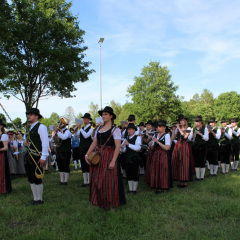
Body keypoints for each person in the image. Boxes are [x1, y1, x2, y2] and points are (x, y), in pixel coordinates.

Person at [85, 106, 126, 210]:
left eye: (106, 114)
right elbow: (94, 143)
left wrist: (113, 161)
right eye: (102, 114)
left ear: (111, 116)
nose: (103, 116)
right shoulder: (99, 128)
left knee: (110, 181)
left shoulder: (115, 130)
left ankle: (112, 204)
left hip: (109, 156)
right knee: (98, 180)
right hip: (98, 157)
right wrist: (87, 154)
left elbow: (117, 147)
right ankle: (102, 202)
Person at [23, 108, 49, 205]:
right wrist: (24, 143)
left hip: (37, 156)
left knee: (37, 177)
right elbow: (26, 142)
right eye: (28, 114)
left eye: (31, 114)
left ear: (36, 116)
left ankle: (40, 199)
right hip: (28, 155)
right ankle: (35, 198)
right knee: (30, 177)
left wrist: (43, 157)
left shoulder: (41, 127)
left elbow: (45, 143)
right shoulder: (27, 128)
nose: (28, 116)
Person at [150, 120, 172, 193]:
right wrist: (150, 145)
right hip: (156, 154)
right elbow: (153, 147)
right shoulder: (155, 135)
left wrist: (158, 142)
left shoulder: (167, 135)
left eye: (160, 126)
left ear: (164, 127)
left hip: (163, 155)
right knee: (156, 170)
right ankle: (157, 185)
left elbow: (167, 148)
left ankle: (163, 186)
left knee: (163, 170)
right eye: (157, 127)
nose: (158, 128)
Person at [171, 115, 193, 188]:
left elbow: (185, 136)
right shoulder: (178, 128)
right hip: (178, 145)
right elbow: (173, 138)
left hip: (184, 146)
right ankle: (180, 180)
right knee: (177, 162)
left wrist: (179, 128)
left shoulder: (189, 128)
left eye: (183, 120)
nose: (182, 122)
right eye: (181, 121)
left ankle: (185, 182)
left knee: (184, 163)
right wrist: (174, 130)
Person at [74, 113, 93, 187]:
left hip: (88, 149)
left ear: (88, 119)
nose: (84, 120)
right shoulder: (82, 128)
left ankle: (89, 181)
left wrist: (79, 128)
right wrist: (75, 132)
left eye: (85, 118)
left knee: (88, 164)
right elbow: (76, 138)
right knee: (83, 165)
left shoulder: (91, 128)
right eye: (83, 118)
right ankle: (85, 181)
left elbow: (86, 136)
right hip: (81, 149)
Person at [122, 123, 141, 194]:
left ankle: (134, 189)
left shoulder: (137, 137)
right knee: (128, 173)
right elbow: (124, 150)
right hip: (127, 158)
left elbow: (138, 148)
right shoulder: (126, 138)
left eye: (130, 129)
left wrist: (128, 144)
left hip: (134, 158)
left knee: (134, 173)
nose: (129, 131)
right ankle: (130, 189)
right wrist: (122, 148)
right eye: (128, 129)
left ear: (134, 130)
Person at [189, 116, 209, 181]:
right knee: (196, 161)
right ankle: (197, 177)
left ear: (201, 122)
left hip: (202, 146)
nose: (197, 123)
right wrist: (193, 135)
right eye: (196, 122)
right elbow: (190, 138)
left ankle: (202, 177)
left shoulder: (205, 128)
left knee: (202, 161)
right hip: (195, 146)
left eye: (198, 121)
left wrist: (200, 134)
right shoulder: (194, 128)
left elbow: (206, 138)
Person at [53, 117, 72, 185]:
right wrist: (55, 136)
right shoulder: (59, 132)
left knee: (65, 165)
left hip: (66, 151)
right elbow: (54, 141)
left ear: (65, 124)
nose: (60, 124)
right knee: (60, 165)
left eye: (61, 123)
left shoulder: (68, 131)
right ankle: (62, 181)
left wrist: (57, 132)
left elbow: (64, 137)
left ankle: (65, 181)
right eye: (59, 123)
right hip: (59, 150)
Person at [0, 119, 12, 194]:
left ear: (1, 126)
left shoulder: (3, 135)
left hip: (1, 156)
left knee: (1, 172)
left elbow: (6, 148)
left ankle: (3, 189)